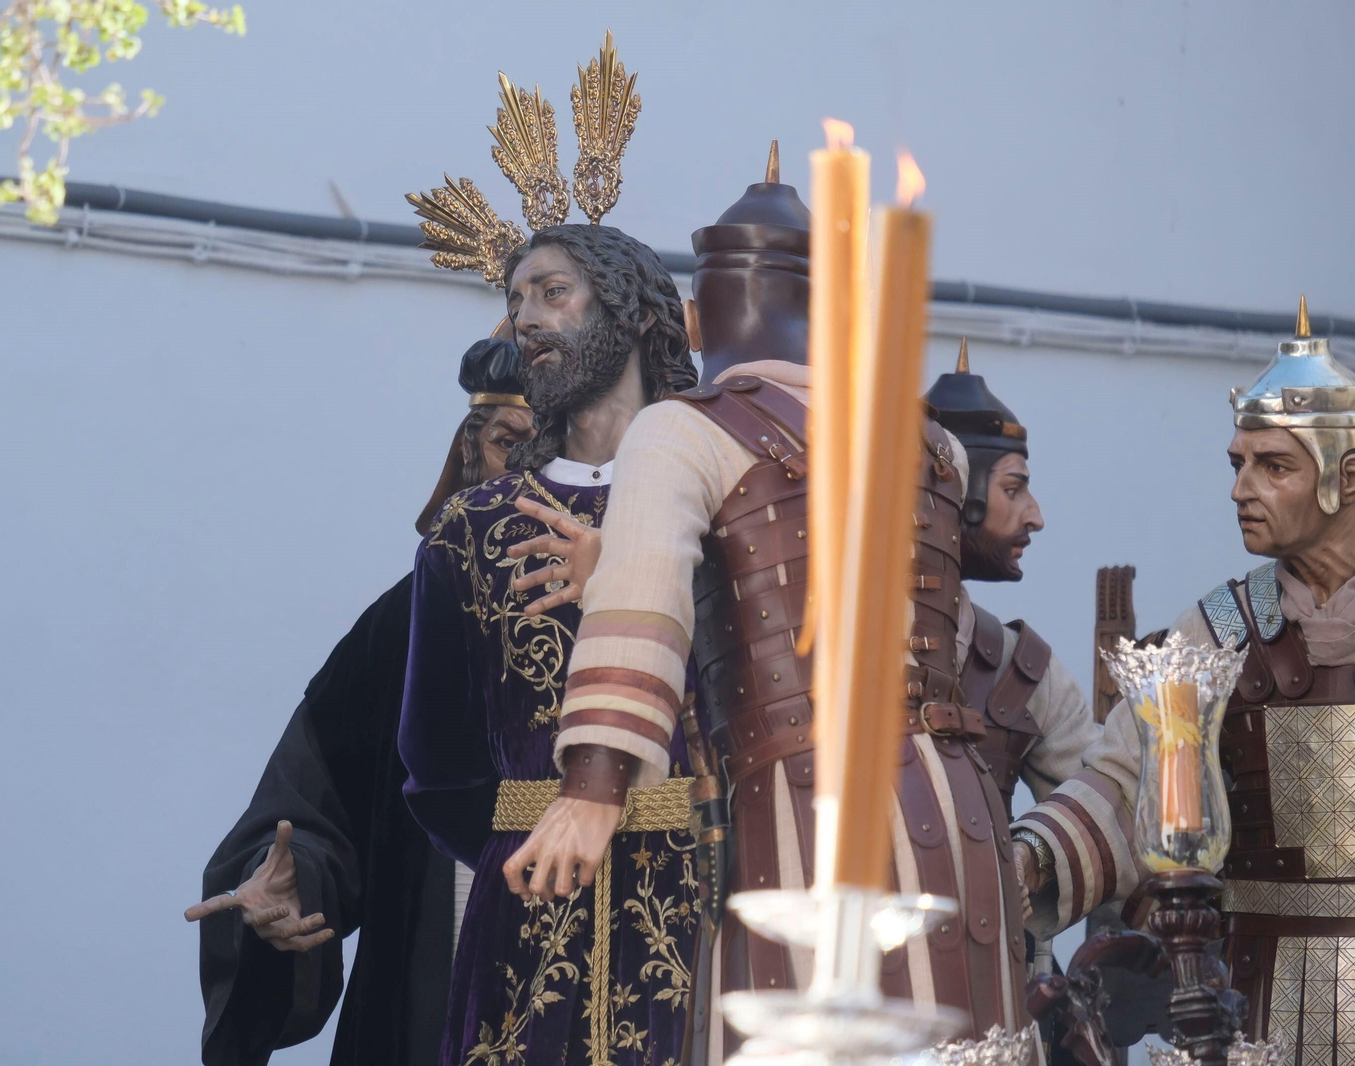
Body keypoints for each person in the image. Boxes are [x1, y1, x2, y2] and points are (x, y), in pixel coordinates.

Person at [507, 152, 1044, 1063]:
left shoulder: (679, 427)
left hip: (799, 802)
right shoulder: (936, 446)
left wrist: (592, 787)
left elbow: (646, 599)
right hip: (959, 811)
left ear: (696, 317)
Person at [1014, 301, 1355, 1056]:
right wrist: (1029, 856)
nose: (1240, 489)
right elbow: (1125, 781)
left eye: (1274, 466)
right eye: (1238, 464)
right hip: (1257, 1007)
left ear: (1347, 476)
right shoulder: (1217, 630)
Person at [184, 337, 533, 1066]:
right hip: (435, 995)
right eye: (509, 442)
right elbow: (309, 814)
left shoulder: (646, 613)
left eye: (555, 446)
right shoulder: (407, 627)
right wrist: (290, 886)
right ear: (469, 451)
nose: (529, 471)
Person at [400, 219, 700, 1066]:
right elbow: (437, 761)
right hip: (527, 912)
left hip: (697, 892)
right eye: (517, 298)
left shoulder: (720, 508)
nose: (526, 317)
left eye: (553, 293)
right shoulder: (471, 530)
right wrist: (521, 836)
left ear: (637, 316)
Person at [923, 343, 1100, 982]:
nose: (1036, 515)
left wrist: (1031, 857)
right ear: (956, 493)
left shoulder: (1022, 670)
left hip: (994, 983)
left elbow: (1108, 796)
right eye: (1013, 488)